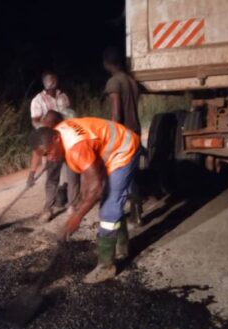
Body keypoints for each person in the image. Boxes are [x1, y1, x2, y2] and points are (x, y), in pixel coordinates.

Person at [29, 116, 141, 284]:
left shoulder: (75, 147)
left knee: (109, 207)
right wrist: (81, 200)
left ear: (56, 138)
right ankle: (122, 246)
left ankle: (106, 267)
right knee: (109, 201)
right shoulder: (59, 133)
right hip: (109, 148)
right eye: (44, 156)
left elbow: (96, 187)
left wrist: (77, 216)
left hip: (124, 149)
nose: (49, 159)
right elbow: (87, 177)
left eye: (48, 153)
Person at [27, 71, 79, 222]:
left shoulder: (63, 96)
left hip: (67, 140)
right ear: (45, 83)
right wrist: (32, 173)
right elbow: (35, 124)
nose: (54, 84)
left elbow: (70, 115)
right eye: (51, 82)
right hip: (51, 143)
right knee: (52, 177)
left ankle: (72, 205)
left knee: (72, 175)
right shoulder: (38, 101)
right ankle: (47, 209)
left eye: (55, 81)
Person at [103, 47, 144, 230]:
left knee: (119, 178)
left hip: (123, 136)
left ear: (107, 64)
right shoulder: (131, 81)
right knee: (133, 175)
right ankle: (137, 214)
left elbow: (116, 115)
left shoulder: (114, 82)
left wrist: (111, 142)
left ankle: (117, 215)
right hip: (135, 131)